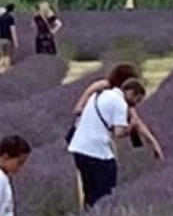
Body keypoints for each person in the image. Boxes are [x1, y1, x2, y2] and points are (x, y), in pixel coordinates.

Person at [68, 75, 158, 207]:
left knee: (89, 190)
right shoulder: (120, 103)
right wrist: (132, 126)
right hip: (97, 151)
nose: (134, 104)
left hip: (79, 148)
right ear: (131, 92)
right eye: (136, 100)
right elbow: (119, 133)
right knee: (105, 191)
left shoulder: (99, 95)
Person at [0, 4, 18, 73]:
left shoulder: (1, 17)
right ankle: (5, 69)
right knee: (8, 55)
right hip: (8, 38)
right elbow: (12, 29)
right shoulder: (10, 18)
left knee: (3, 54)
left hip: (1, 37)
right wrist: (15, 41)